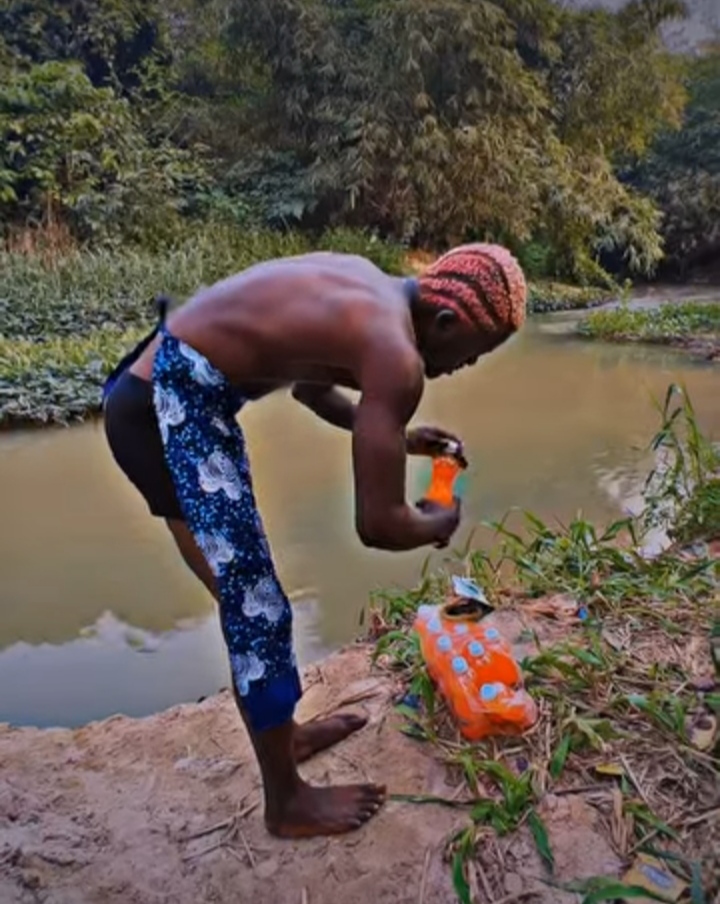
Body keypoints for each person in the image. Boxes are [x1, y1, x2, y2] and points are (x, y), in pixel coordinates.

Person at [102, 242, 527, 839]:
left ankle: (287, 737)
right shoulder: (396, 356)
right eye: (474, 355)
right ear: (447, 322)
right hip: (162, 408)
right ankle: (286, 803)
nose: (464, 367)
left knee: (249, 599)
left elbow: (309, 388)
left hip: (155, 383)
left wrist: (396, 438)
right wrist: (439, 517)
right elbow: (378, 525)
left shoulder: (368, 287)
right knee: (254, 606)